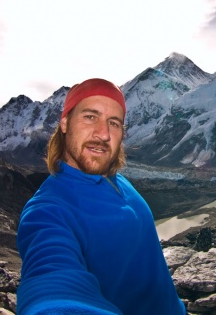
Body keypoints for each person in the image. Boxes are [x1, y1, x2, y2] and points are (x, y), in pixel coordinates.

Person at [16, 78, 186, 315]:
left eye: (114, 123)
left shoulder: (117, 180)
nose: (103, 134)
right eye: (90, 117)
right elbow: (50, 284)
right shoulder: (47, 210)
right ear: (64, 123)